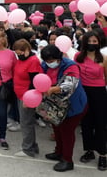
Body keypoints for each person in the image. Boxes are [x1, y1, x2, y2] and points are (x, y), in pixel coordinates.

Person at [41, 44, 87, 172]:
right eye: (47, 61)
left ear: (59, 58)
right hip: (55, 104)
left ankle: (67, 160)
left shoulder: (70, 65)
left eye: (51, 61)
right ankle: (59, 152)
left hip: (73, 104)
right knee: (57, 127)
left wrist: (55, 88)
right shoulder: (44, 65)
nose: (49, 64)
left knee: (66, 131)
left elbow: (70, 84)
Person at [74, 31, 107, 171]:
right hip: (83, 92)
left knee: (100, 124)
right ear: (84, 42)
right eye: (90, 41)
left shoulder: (103, 58)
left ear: (99, 43)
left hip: (99, 93)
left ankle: (103, 155)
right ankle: (89, 151)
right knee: (86, 124)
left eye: (95, 41)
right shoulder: (77, 56)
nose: (92, 44)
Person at [12, 39, 41, 157]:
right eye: (17, 54)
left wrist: (28, 98)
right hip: (20, 94)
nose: (19, 56)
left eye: (20, 53)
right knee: (27, 121)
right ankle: (32, 145)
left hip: (27, 96)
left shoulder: (33, 61)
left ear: (27, 50)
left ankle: (27, 149)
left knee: (26, 122)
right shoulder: (23, 59)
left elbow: (34, 81)